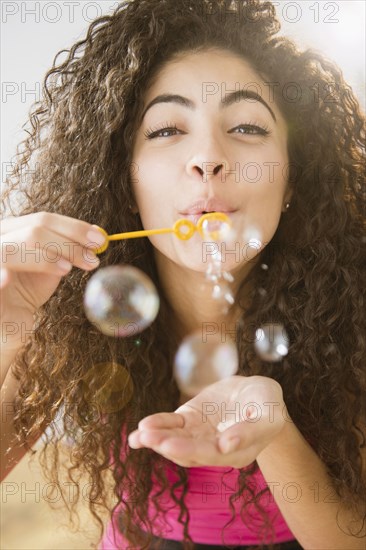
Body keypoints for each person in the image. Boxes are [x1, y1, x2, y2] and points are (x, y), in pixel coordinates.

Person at [1, 0, 365, 548]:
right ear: (124, 180)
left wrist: (275, 431)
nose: (207, 157)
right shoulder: (66, 304)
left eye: (245, 126)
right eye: (168, 129)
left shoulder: (353, 313)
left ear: (293, 181)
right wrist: (7, 324)